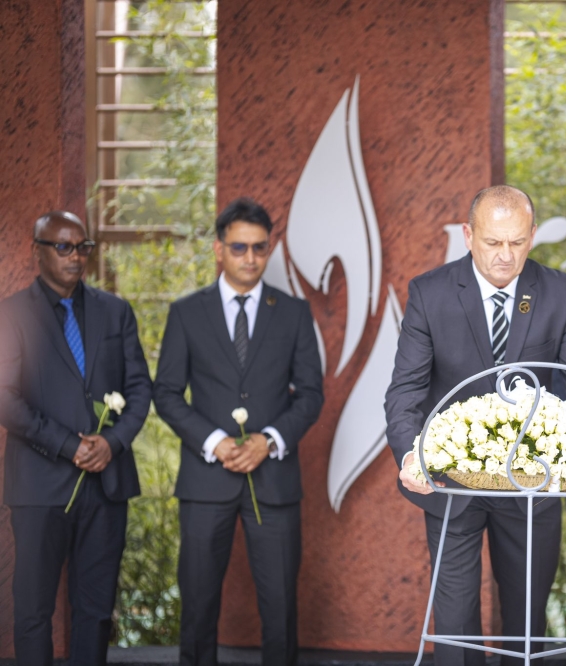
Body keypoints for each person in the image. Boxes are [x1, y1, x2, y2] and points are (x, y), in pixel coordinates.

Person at [384, 185, 566, 666]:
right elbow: (405, 391)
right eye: (493, 242)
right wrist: (410, 454)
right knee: (455, 624)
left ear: (533, 236)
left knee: (526, 623)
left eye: (517, 243)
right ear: (467, 236)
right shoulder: (430, 293)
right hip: (451, 478)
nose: (505, 255)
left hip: (533, 480)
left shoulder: (559, 292)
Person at [153, 198, 324, 666]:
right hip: (206, 484)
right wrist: (215, 442)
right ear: (218, 249)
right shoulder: (187, 313)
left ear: (269, 249)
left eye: (259, 248)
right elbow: (165, 393)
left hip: (274, 483)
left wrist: (268, 440)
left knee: (281, 610)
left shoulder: (292, 312)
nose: (250, 258)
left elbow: (311, 393)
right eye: (239, 248)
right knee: (198, 609)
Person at [0, 212, 152, 666]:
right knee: (32, 611)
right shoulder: (10, 314)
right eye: (63, 247)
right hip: (40, 486)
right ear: (38, 250)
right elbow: (4, 396)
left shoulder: (115, 311)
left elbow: (140, 389)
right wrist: (69, 445)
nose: (75, 256)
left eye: (82, 247)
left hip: (106, 487)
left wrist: (114, 442)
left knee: (95, 612)